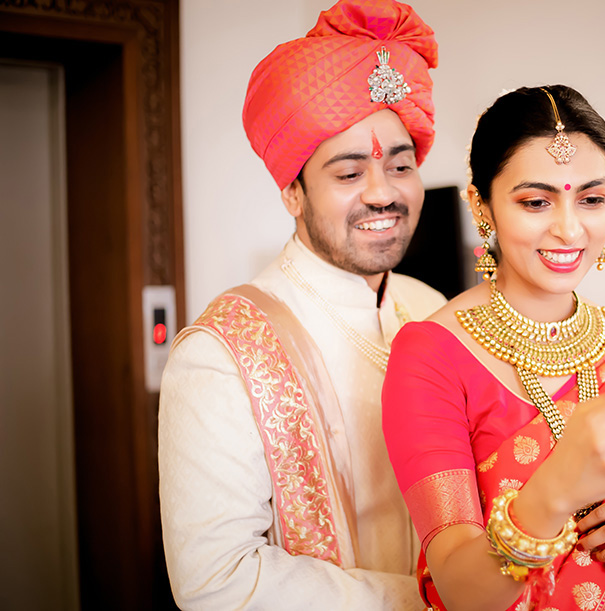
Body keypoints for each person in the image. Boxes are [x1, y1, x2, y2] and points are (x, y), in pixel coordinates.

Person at [382, 85, 605, 611]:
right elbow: (460, 592)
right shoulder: (431, 355)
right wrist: (558, 488)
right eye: (536, 202)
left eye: (591, 199)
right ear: (481, 205)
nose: (569, 229)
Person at [158, 1, 444, 608]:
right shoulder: (222, 353)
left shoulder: (433, 310)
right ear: (292, 191)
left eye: (401, 165)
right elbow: (215, 582)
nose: (383, 193)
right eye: (348, 174)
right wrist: (433, 601)